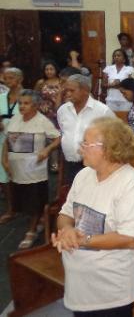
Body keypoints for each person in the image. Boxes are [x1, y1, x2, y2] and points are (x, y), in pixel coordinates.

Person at [51, 117, 134, 316]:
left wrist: (82, 239)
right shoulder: (84, 175)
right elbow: (65, 214)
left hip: (109, 292)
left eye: (86, 144)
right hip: (79, 284)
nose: (81, 149)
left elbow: (131, 239)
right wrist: (68, 230)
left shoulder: (130, 183)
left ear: (108, 149)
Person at [3, 90, 61, 248]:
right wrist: (4, 160)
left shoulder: (43, 121)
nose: (22, 106)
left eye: (26, 103)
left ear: (35, 105)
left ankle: (32, 230)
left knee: (34, 201)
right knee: (22, 201)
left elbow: (57, 138)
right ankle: (39, 221)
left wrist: (47, 150)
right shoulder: (15, 119)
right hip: (16, 170)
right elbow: (7, 142)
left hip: (35, 172)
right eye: (21, 103)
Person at [57, 74, 115, 184]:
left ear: (85, 90)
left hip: (94, 165)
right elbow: (63, 132)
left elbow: (115, 136)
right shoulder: (62, 110)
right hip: (69, 164)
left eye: (72, 90)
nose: (68, 94)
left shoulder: (102, 111)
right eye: (67, 90)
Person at [34, 60, 63, 127]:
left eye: (51, 69)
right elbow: (35, 96)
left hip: (57, 111)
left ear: (56, 70)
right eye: (46, 69)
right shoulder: (41, 83)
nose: (49, 71)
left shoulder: (61, 82)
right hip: (44, 112)